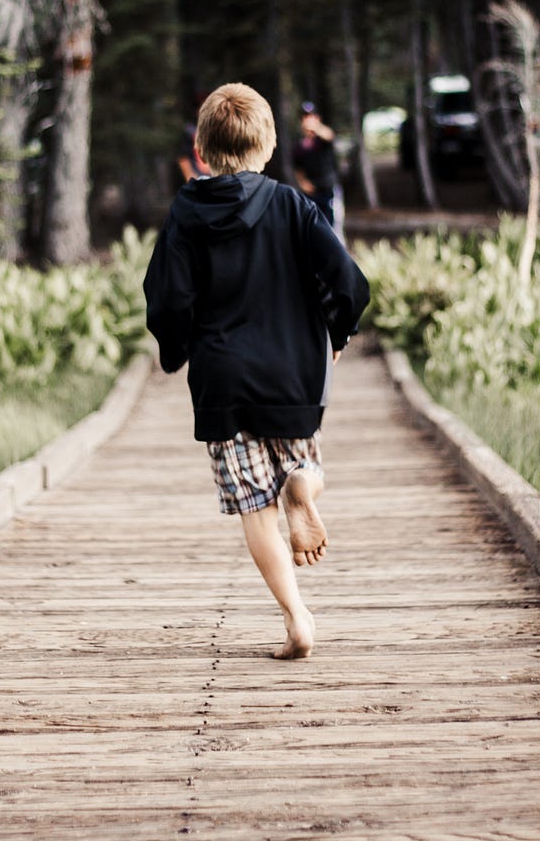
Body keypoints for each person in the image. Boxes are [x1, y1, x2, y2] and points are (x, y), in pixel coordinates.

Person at [143, 82, 370, 660]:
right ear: (268, 147)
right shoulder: (294, 206)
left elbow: (166, 298)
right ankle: (303, 486)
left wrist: (176, 349)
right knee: (306, 464)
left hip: (223, 384)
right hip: (291, 378)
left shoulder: (185, 214)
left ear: (201, 147)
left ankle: (297, 620)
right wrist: (337, 332)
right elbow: (347, 280)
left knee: (253, 508)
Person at [293, 101, 338, 226]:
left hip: (328, 189)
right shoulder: (299, 143)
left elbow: (330, 136)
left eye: (310, 116)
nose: (306, 120)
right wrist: (303, 182)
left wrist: (314, 127)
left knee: (333, 224)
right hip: (311, 191)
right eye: (304, 117)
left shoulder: (323, 138)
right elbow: (297, 166)